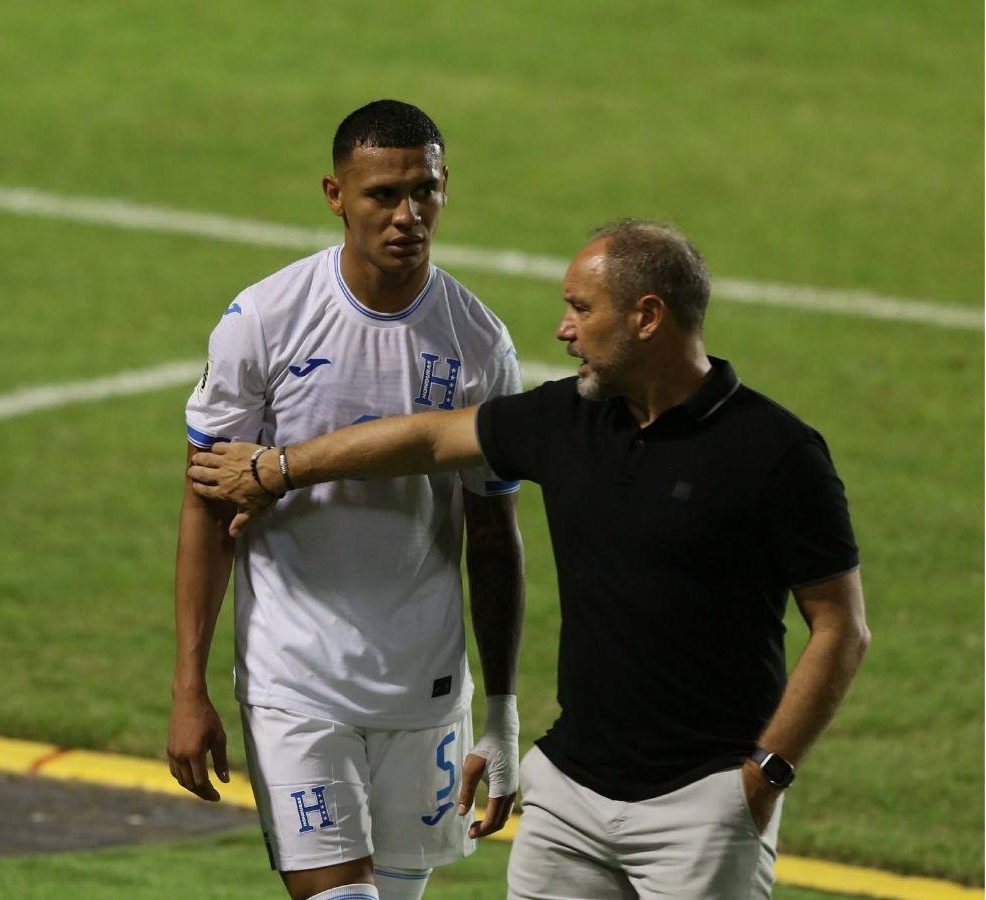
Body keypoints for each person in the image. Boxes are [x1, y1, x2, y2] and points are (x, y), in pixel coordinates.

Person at [188, 220, 871, 899]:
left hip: (701, 806)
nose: (563, 330)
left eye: (581, 308)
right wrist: (280, 467)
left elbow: (841, 627)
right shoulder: (568, 420)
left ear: (647, 317)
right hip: (569, 798)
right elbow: (427, 440)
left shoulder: (775, 453)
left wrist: (764, 776)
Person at [167, 99, 526, 900]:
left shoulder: (479, 342)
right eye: (382, 195)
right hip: (294, 679)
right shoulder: (263, 321)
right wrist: (188, 685)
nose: (408, 215)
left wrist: (500, 714)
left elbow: (494, 535)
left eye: (424, 191)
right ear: (335, 194)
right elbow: (204, 507)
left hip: (424, 685)